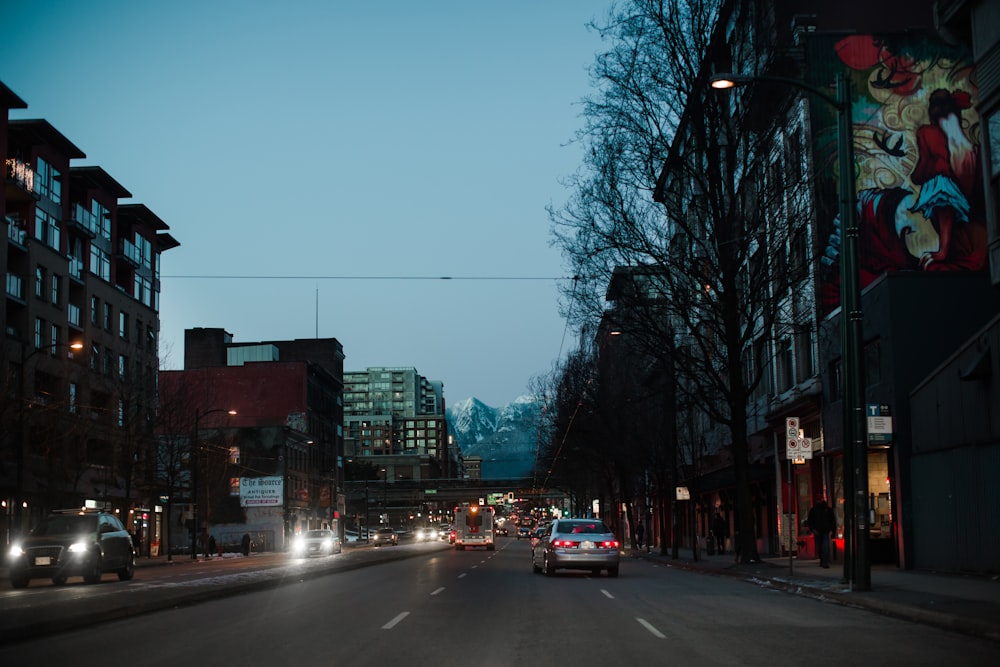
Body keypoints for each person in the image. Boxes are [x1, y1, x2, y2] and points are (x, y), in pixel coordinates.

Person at [807, 497, 837, 568]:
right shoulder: (814, 510)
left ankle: (825, 562)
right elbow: (810, 520)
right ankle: (823, 560)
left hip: (825, 531)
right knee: (820, 546)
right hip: (818, 530)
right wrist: (813, 529)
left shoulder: (827, 510)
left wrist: (833, 530)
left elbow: (832, 521)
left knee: (825, 546)